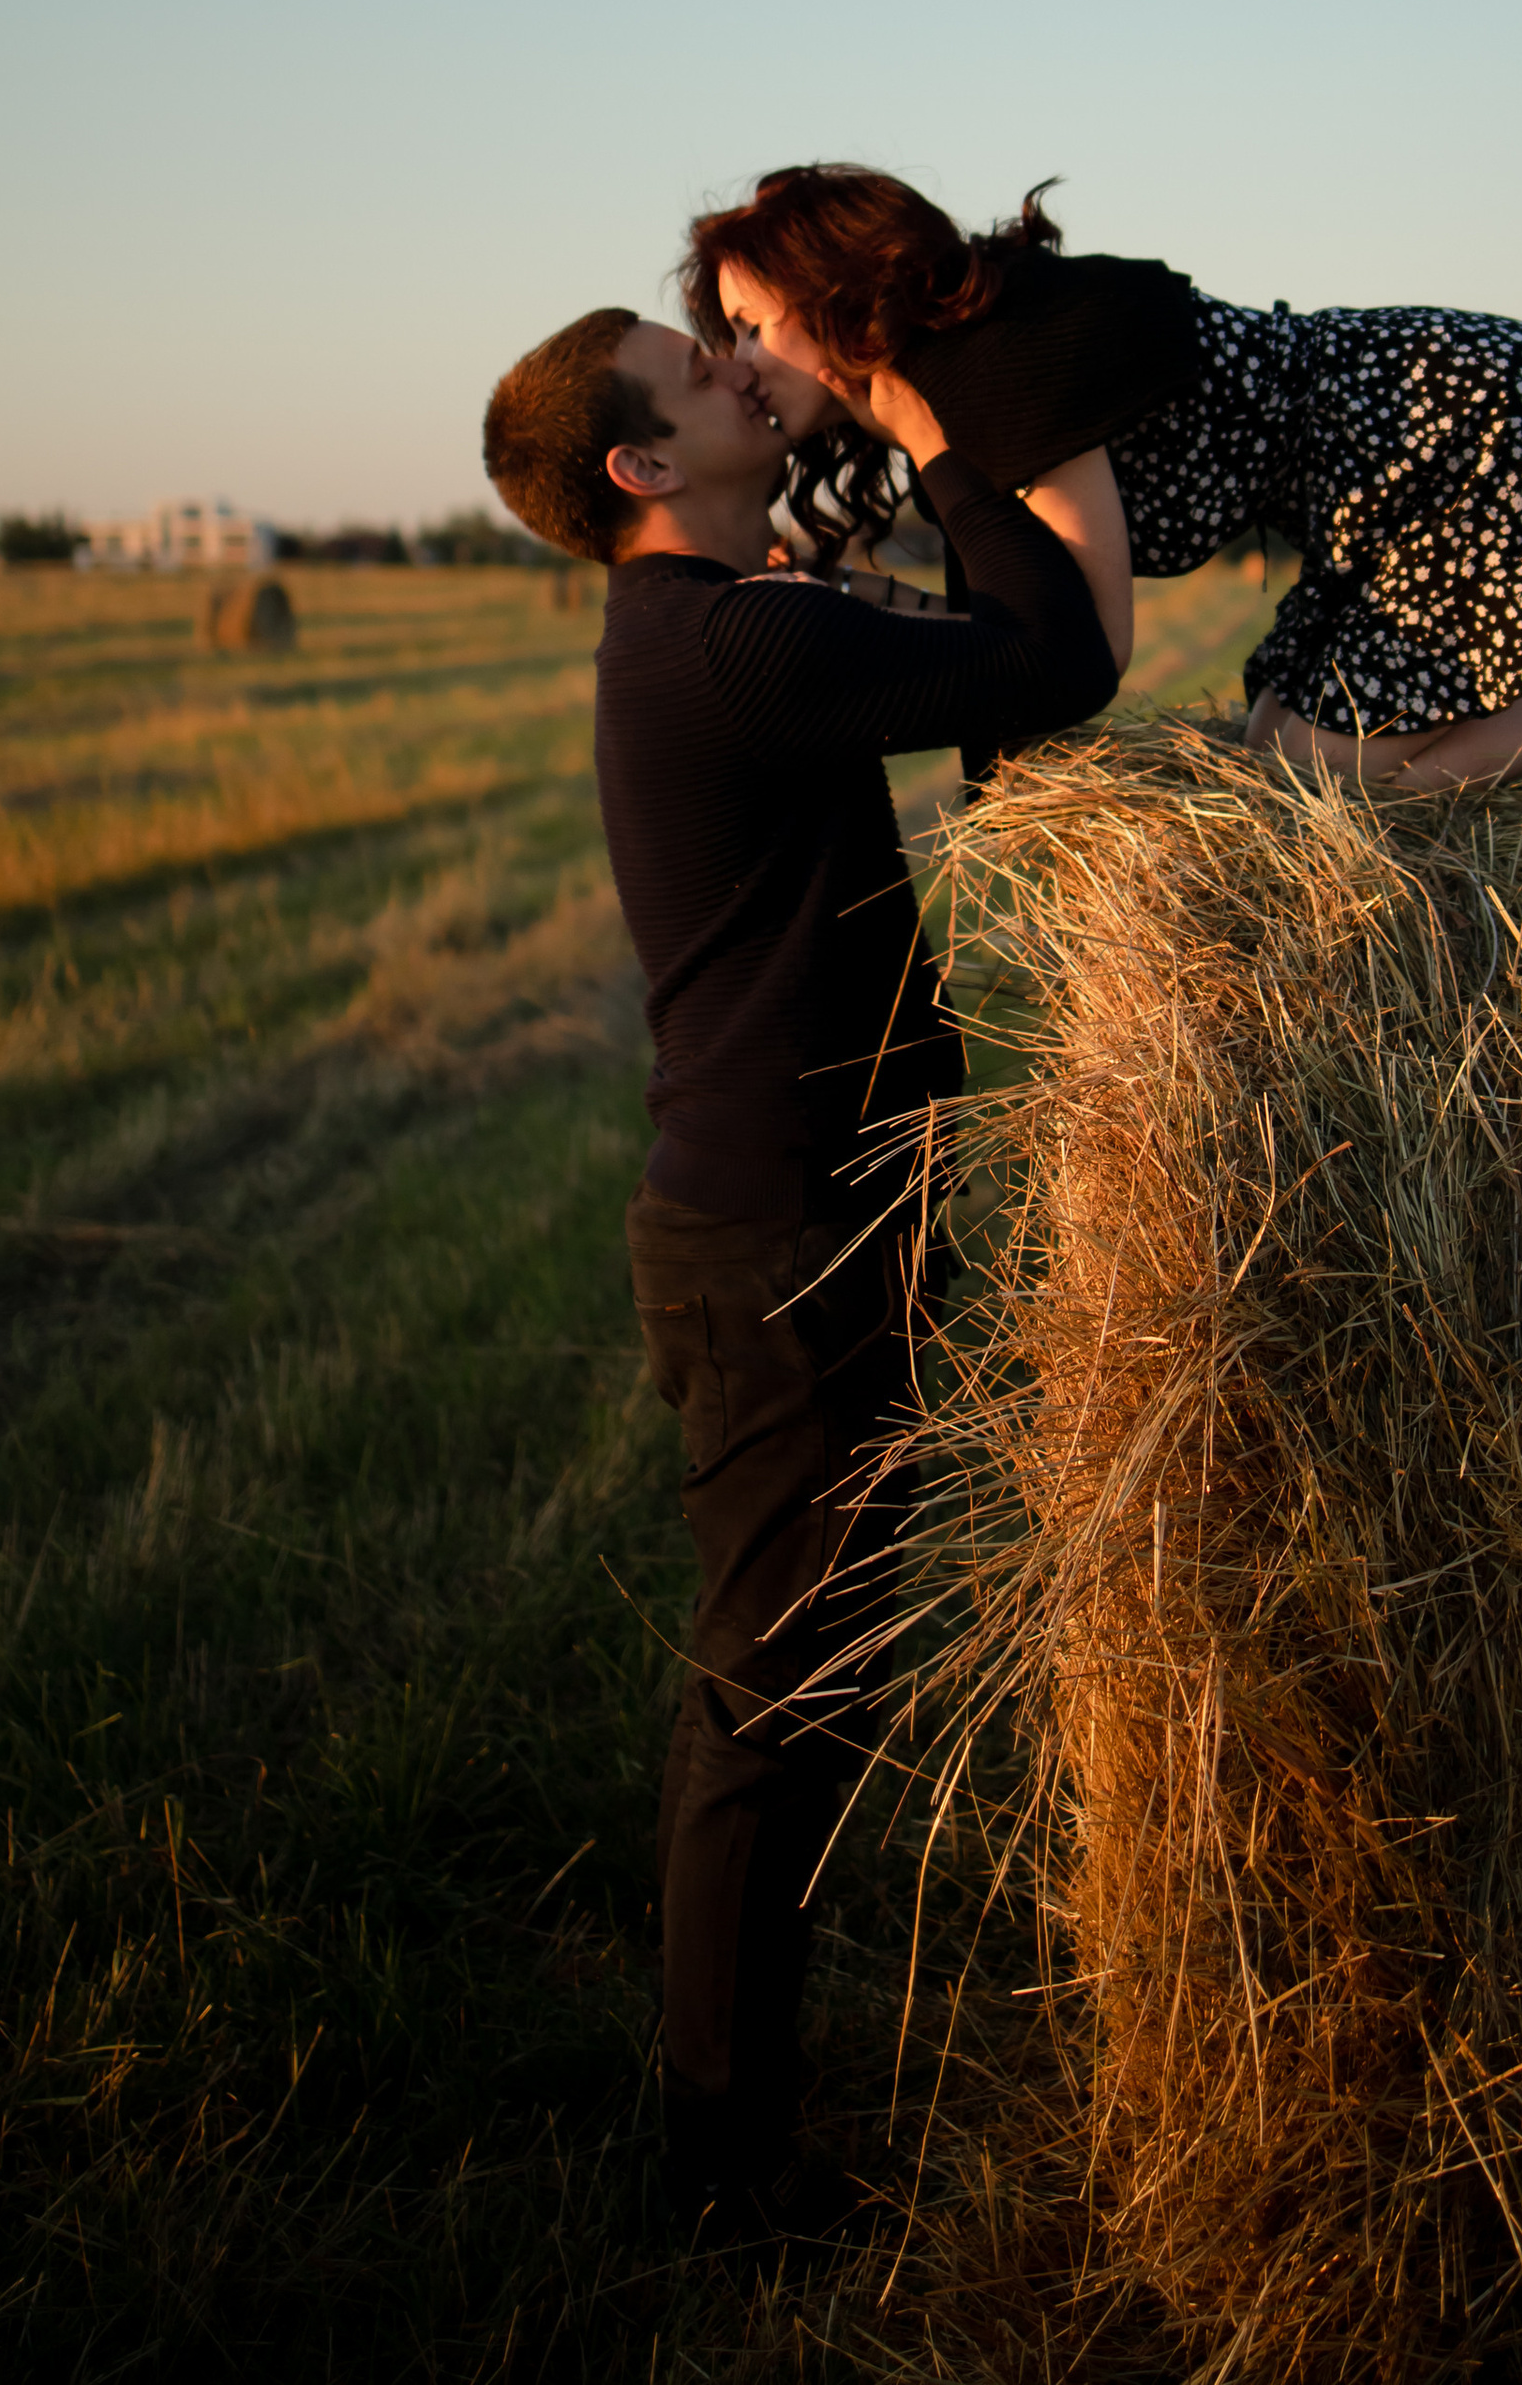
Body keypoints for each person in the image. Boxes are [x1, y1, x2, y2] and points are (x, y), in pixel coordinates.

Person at [479, 304, 1113, 2240]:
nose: (746, 373)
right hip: (782, 1236)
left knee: (793, 1680)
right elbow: (1056, 655)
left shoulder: (715, 625)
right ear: (640, 468)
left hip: (786, 1212)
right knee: (778, 1692)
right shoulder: (739, 642)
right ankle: (721, 2168)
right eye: (706, 372)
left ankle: (729, 2113)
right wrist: (941, 425)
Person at [680, 166, 1522, 785]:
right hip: (1391, 464)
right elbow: (1014, 615)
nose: (741, 365)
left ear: (828, 289)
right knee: (1270, 743)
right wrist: (847, 602)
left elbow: (1081, 656)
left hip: (1451, 434)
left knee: (1326, 770)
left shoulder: (990, 379)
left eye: (749, 326)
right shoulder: (953, 386)